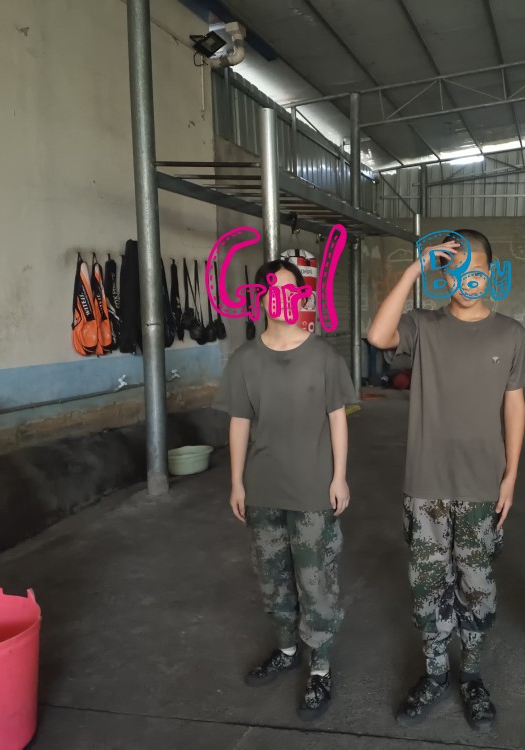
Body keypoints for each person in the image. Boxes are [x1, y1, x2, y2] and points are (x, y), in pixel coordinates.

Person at [367, 229, 525, 733]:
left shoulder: (510, 333)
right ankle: (435, 672)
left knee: (476, 583)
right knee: (428, 585)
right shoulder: (423, 326)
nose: (467, 280)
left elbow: (515, 405)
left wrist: (511, 475)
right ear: (443, 276)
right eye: (456, 270)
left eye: (476, 270)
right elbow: (378, 336)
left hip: (482, 484)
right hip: (426, 484)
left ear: (492, 273)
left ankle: (471, 674)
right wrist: (413, 270)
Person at [215, 259, 357, 721]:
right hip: (264, 489)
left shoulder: (324, 356)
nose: (282, 299)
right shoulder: (245, 360)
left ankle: (320, 668)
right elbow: (239, 423)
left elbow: (337, 418)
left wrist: (339, 476)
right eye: (272, 291)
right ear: (259, 298)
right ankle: (286, 649)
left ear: (301, 297)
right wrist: (237, 482)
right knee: (273, 577)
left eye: (290, 291)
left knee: (316, 581)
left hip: (313, 490)